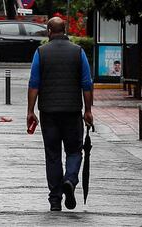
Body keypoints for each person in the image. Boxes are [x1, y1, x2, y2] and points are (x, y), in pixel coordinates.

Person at [27, 17, 93, 211]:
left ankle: (55, 199)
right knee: (74, 151)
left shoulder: (41, 52)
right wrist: (88, 110)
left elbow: (34, 83)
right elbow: (87, 83)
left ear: (49, 31)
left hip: (48, 112)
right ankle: (70, 181)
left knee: (53, 155)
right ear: (65, 30)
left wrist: (30, 111)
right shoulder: (78, 52)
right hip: (73, 111)